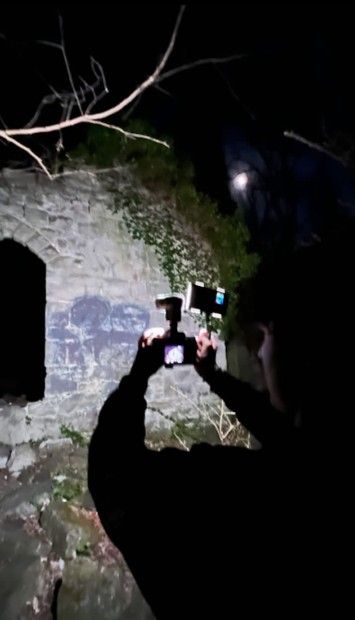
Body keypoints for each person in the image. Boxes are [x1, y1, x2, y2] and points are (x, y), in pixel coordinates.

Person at [88, 228, 353, 618]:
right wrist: (212, 375)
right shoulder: (314, 466)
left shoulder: (236, 492)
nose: (259, 351)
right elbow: (285, 437)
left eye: (267, 335)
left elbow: (113, 475)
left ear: (307, 357)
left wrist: (139, 373)